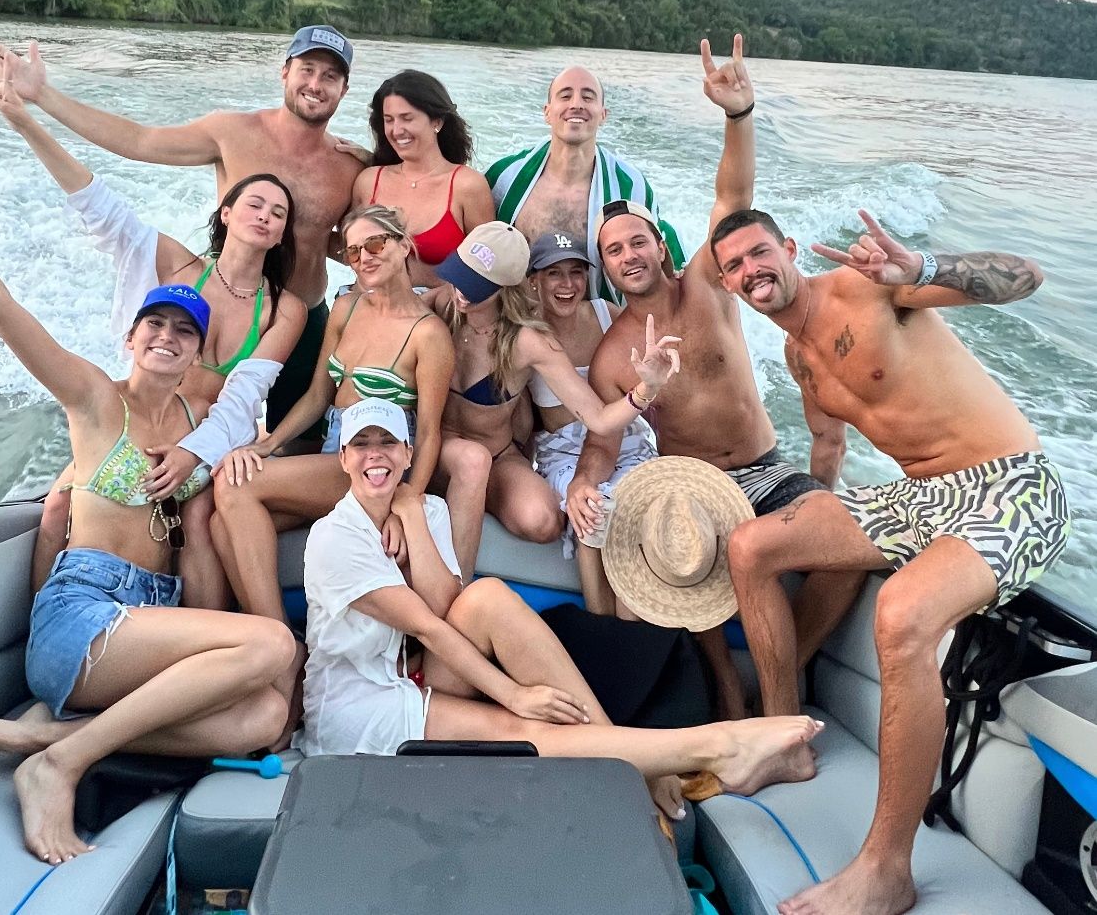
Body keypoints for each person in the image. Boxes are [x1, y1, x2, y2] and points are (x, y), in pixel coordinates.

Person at [710, 208, 1070, 915]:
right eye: (733, 265)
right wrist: (819, 527)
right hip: (918, 497)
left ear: (786, 250)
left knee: (901, 613)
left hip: (1010, 486)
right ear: (725, 282)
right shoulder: (797, 359)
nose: (751, 270)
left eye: (759, 252)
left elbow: (1026, 276)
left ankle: (885, 869)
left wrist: (922, 270)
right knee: (751, 544)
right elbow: (827, 455)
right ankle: (786, 736)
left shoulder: (864, 286)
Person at [0, 192, 294, 865]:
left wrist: (228, 467)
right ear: (130, 336)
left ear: (196, 353)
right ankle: (59, 764)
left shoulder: (197, 426)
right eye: (153, 324)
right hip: (83, 612)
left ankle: (43, 738)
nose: (165, 337)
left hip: (154, 615)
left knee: (264, 717)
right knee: (271, 646)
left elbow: (202, 529)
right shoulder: (95, 399)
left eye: (183, 332)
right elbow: (1, 309)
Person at [299, 397, 826, 816]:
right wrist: (513, 694)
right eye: (361, 445)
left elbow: (445, 605)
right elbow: (432, 629)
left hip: (410, 674)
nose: (376, 456)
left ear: (409, 454)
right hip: (356, 704)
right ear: (343, 458)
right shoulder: (333, 539)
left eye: (388, 443)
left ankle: (624, 757)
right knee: (518, 726)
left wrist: (411, 509)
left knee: (486, 596)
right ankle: (711, 747)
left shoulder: (428, 509)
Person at [566, 41, 862, 722]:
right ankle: (727, 690)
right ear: (606, 271)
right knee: (684, 552)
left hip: (763, 468)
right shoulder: (613, 355)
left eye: (636, 240)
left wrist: (739, 114)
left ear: (661, 246)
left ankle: (784, 671)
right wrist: (584, 484)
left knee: (844, 545)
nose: (628, 254)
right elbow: (603, 445)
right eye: (612, 250)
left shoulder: (708, 282)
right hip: (688, 483)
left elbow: (734, 196)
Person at [0, 61, 307, 605]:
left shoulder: (282, 310)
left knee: (198, 513)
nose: (267, 217)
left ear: (281, 236)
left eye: (279, 214)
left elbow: (244, 395)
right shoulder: (179, 268)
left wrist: (193, 454)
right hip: (139, 423)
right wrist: (26, 120)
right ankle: (46, 619)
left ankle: (207, 641)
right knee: (59, 505)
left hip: (216, 437)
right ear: (225, 213)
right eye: (255, 203)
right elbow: (98, 206)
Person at [0, 25, 365, 448]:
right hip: (219, 309)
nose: (315, 84)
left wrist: (377, 163)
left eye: (330, 76)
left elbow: (362, 240)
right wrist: (42, 96)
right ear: (285, 71)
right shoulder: (232, 133)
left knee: (300, 443)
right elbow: (139, 140)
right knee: (188, 419)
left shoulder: (349, 167)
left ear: (344, 89)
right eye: (307, 69)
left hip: (300, 315)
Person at [211, 205, 454, 633]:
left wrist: (404, 504)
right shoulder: (347, 309)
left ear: (403, 246)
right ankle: (261, 633)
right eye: (354, 252)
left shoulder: (428, 334)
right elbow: (319, 395)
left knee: (234, 485)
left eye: (376, 244)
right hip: (333, 454)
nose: (365, 257)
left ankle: (276, 641)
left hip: (374, 466)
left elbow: (431, 432)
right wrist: (265, 445)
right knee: (217, 520)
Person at [428, 221, 682, 582]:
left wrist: (646, 389)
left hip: (495, 456)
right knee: (472, 460)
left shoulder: (529, 341)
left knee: (544, 521)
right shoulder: (444, 303)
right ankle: (458, 585)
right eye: (461, 275)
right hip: (437, 447)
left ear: (504, 289)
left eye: (475, 285)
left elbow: (599, 419)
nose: (462, 291)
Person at [486, 39, 751, 302]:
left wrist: (738, 115)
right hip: (517, 328)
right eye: (565, 95)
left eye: (588, 97)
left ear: (603, 114)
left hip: (598, 331)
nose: (576, 104)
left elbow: (667, 269)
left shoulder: (631, 187)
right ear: (547, 112)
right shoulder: (505, 177)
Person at [525, 231, 656, 613]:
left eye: (576, 273)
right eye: (554, 274)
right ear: (534, 280)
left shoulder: (607, 315)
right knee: (593, 513)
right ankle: (603, 628)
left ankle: (632, 636)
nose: (568, 285)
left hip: (625, 440)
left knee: (634, 516)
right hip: (563, 451)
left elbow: (650, 372)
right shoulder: (526, 333)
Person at [352, 70, 495, 288]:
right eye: (389, 120)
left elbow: (488, 268)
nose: (396, 130)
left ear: (437, 121)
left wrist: (428, 305)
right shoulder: (369, 181)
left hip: (440, 316)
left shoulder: (467, 185)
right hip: (371, 311)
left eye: (407, 118)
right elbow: (350, 252)